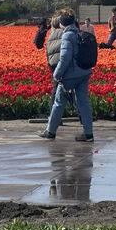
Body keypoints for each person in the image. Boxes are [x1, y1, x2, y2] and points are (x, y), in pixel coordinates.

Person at [40, 9, 94, 142]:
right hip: (84, 72)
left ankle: (50, 131)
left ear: (62, 23)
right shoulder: (79, 32)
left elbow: (64, 58)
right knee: (84, 103)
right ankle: (88, 133)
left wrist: (57, 74)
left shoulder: (67, 35)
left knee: (58, 102)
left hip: (70, 75)